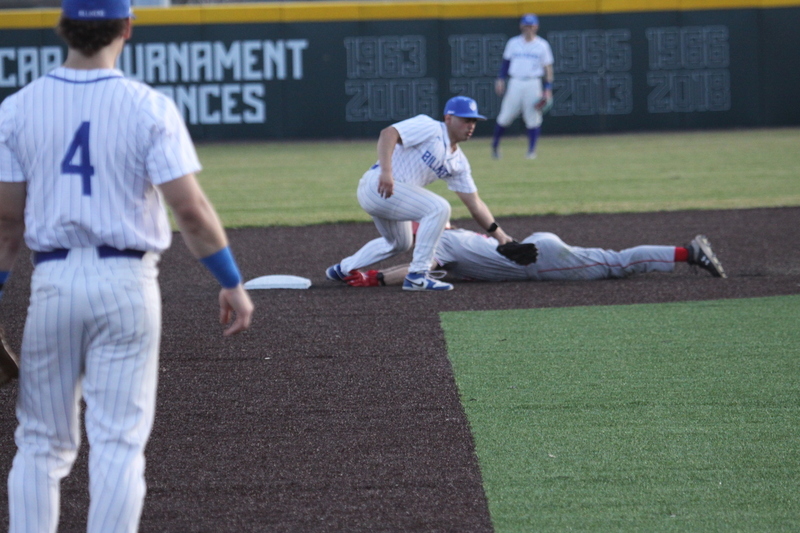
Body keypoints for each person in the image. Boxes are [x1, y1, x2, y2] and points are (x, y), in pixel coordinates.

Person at [0, 0, 255, 530]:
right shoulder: (148, 106)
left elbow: (5, 221)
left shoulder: (18, 107)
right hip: (126, 283)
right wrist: (231, 280)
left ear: (62, 28)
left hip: (52, 281)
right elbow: (190, 210)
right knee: (118, 439)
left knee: (41, 443)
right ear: (127, 28)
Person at [325, 96, 514, 292]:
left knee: (398, 243)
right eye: (466, 119)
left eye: (474, 121)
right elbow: (388, 133)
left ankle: (342, 269)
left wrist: (501, 237)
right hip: (377, 186)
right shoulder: (431, 127)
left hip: (392, 198)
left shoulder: (458, 162)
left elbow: (475, 204)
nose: (471, 125)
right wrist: (387, 172)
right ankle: (418, 275)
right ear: (448, 118)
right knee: (439, 208)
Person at [343, 227, 727, 286]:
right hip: (534, 244)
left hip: (540, 259)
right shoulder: (450, 231)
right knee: (615, 257)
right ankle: (687, 252)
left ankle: (690, 253)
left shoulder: (436, 246)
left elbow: (418, 270)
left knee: (618, 263)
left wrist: (375, 277)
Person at [492, 13, 554, 160]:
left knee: (533, 118)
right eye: (526, 25)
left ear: (536, 26)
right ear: (521, 26)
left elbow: (548, 69)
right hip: (515, 82)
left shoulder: (542, 45)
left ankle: (531, 151)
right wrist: (501, 79)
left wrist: (548, 88)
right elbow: (506, 64)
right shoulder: (513, 43)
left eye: (531, 26)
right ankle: (495, 146)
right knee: (505, 116)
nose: (529, 29)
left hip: (533, 82)